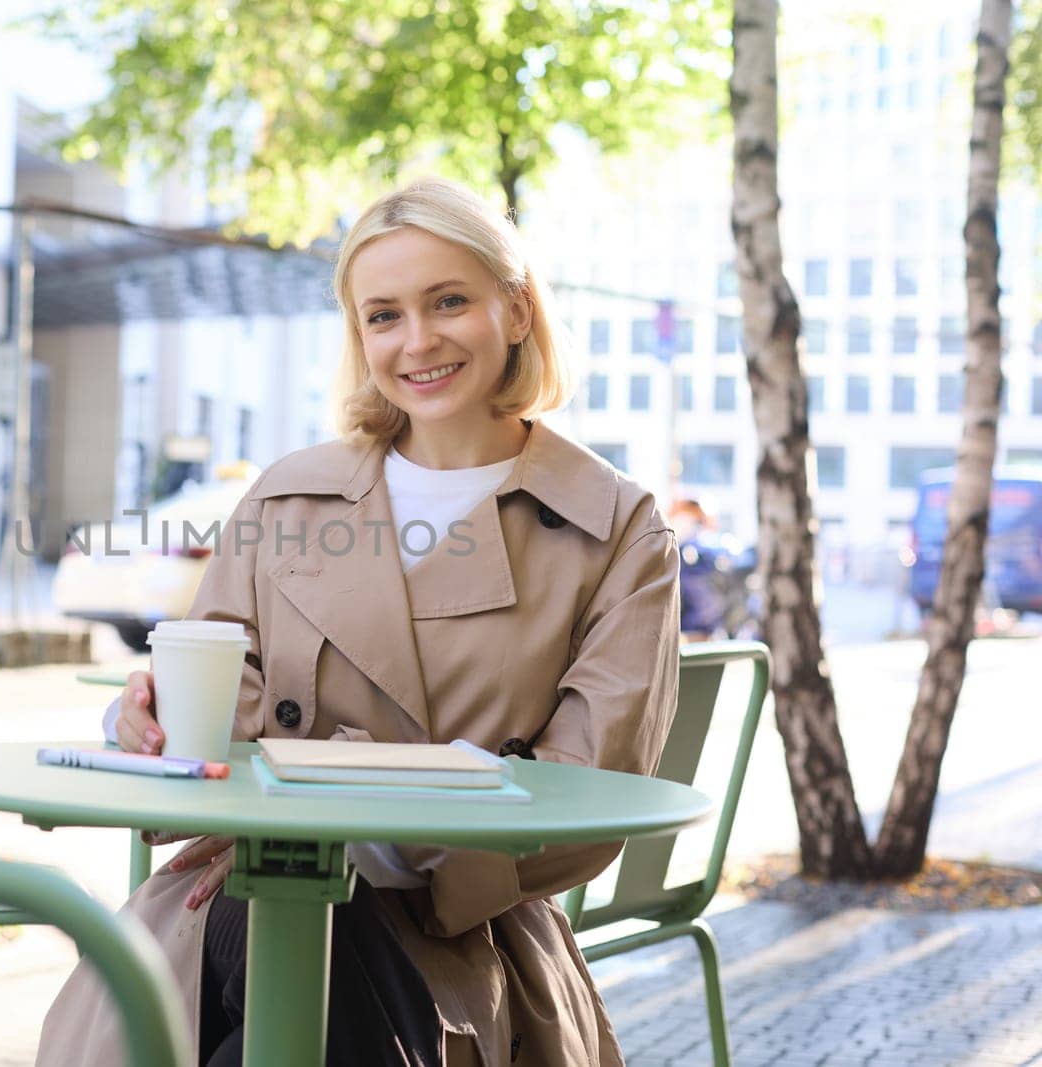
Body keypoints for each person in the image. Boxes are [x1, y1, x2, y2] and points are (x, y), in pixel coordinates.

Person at [36, 177, 680, 1067]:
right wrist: (147, 724)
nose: (417, 341)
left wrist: (339, 820)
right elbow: (219, 733)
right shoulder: (287, 495)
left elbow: (590, 796)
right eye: (383, 315)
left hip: (465, 934)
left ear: (519, 309)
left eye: (449, 300)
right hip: (238, 901)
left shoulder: (615, 528)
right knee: (277, 929)